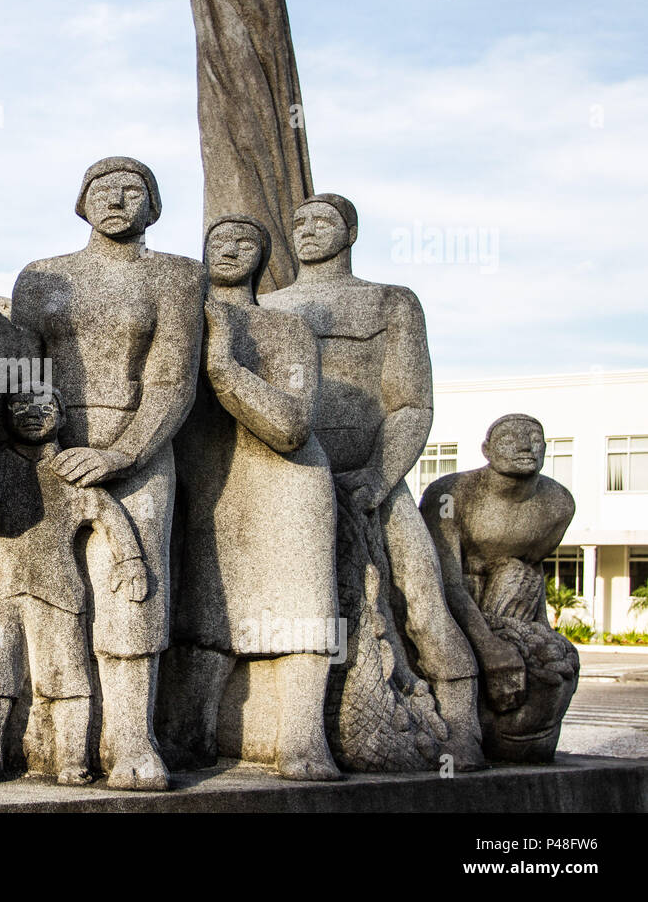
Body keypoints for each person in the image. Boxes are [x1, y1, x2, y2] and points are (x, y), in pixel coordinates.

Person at [262, 193, 484, 768]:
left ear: (352, 231)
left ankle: (463, 733)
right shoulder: (265, 305)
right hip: (287, 484)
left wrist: (381, 477)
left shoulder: (389, 302)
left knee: (425, 604)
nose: (309, 230)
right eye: (300, 221)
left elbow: (411, 405)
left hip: (375, 481)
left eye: (324, 221)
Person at [11, 156, 205, 790]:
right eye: (103, 188)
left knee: (132, 591)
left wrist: (124, 452)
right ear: (81, 200)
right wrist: (45, 439)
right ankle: (55, 739)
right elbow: (22, 372)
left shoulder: (176, 277)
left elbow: (173, 378)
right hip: (52, 451)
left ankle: (131, 736)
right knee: (49, 596)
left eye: (134, 190)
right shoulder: (40, 278)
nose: (117, 199)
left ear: (153, 208)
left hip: (138, 450)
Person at [164, 214, 340, 780]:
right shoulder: (176, 315)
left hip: (286, 483)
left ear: (264, 258)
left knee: (303, 616)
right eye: (218, 238)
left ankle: (303, 740)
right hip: (208, 488)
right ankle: (186, 738)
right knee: (202, 619)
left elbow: (289, 426)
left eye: (246, 239)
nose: (230, 247)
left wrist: (222, 363)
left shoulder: (286, 330)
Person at [0, 388, 148, 786]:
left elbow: (107, 513)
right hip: (3, 593)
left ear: (62, 415)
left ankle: (72, 759)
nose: (31, 413)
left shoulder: (71, 470)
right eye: (19, 405)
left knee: (67, 677)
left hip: (59, 592)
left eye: (44, 405)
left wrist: (130, 559)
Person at [420, 414, 579, 762]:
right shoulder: (449, 495)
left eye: (535, 438)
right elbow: (443, 580)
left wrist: (540, 636)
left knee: (554, 675)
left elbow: (532, 574)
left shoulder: (557, 504)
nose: (525, 446)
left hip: (510, 600)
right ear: (486, 450)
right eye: (511, 438)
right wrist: (489, 648)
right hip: (451, 608)